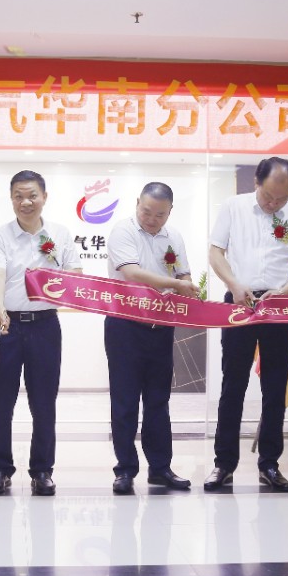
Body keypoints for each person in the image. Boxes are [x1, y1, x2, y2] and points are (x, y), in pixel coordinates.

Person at [205, 157, 288, 493]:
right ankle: (224, 464)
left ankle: (269, 463)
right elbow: (216, 252)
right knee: (233, 385)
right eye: (268, 196)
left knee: (275, 387)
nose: (273, 204)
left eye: (281, 198)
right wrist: (234, 284)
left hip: (278, 307)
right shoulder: (233, 207)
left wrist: (284, 291)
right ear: (256, 181)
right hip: (239, 303)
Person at [0, 170, 82, 497]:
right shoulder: (0, 236)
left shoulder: (60, 234)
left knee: (44, 403)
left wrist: (62, 280)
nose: (25, 202)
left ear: (44, 197)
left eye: (32, 195)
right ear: (11, 198)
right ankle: (0, 470)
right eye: (18, 196)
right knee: (1, 402)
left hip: (45, 327)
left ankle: (42, 471)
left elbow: (75, 273)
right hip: (5, 326)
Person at [105, 182, 199, 495]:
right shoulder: (123, 231)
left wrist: (185, 284)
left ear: (170, 212)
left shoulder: (174, 237)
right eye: (147, 211)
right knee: (125, 400)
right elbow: (132, 272)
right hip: (125, 325)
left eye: (160, 214)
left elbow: (183, 273)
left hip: (161, 326)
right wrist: (175, 284)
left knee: (159, 400)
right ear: (137, 203)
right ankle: (125, 470)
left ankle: (160, 469)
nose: (152, 219)